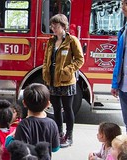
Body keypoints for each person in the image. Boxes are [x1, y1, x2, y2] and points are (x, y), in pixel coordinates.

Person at [42, 13, 84, 147]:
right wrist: (45, 72)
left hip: (66, 81)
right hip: (52, 79)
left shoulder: (72, 40)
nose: (53, 28)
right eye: (52, 26)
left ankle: (69, 136)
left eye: (56, 26)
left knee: (67, 109)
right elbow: (46, 59)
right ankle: (59, 134)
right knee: (55, 108)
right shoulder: (51, 41)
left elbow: (80, 60)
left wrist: (67, 70)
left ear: (63, 26)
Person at [14, 83, 60, 157]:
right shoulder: (52, 123)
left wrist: (10, 137)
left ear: (24, 103)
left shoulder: (23, 124)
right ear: (48, 104)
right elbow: (55, 148)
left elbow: (20, 150)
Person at [111, 0, 127, 133]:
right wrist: (115, 84)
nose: (123, 7)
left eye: (126, 3)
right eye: (122, 4)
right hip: (123, 86)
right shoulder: (123, 29)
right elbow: (119, 59)